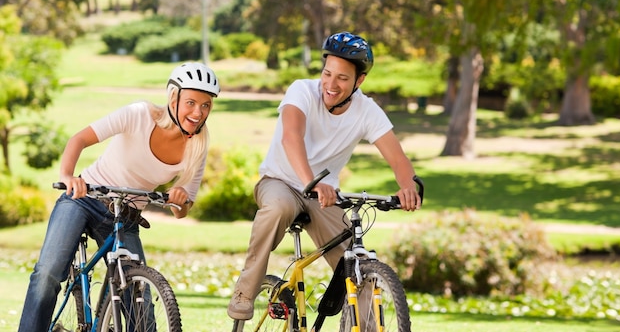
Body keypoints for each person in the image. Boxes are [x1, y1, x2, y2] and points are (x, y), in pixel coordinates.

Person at [227, 31, 422, 320]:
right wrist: (311, 182)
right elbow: (291, 138)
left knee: (355, 263)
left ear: (359, 81)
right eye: (327, 73)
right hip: (279, 181)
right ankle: (244, 292)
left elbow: (397, 157)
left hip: (323, 196)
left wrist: (409, 186)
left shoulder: (367, 111)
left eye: (342, 78)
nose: (330, 84)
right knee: (278, 206)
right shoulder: (301, 91)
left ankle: (366, 325)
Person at [18, 62, 220, 332]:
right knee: (48, 274)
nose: (198, 112)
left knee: (141, 306)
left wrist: (180, 199)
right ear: (174, 98)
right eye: (191, 102)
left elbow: (182, 209)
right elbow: (78, 140)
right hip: (85, 198)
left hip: (126, 215)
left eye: (205, 105)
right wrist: (68, 176)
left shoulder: (198, 146)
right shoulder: (138, 115)